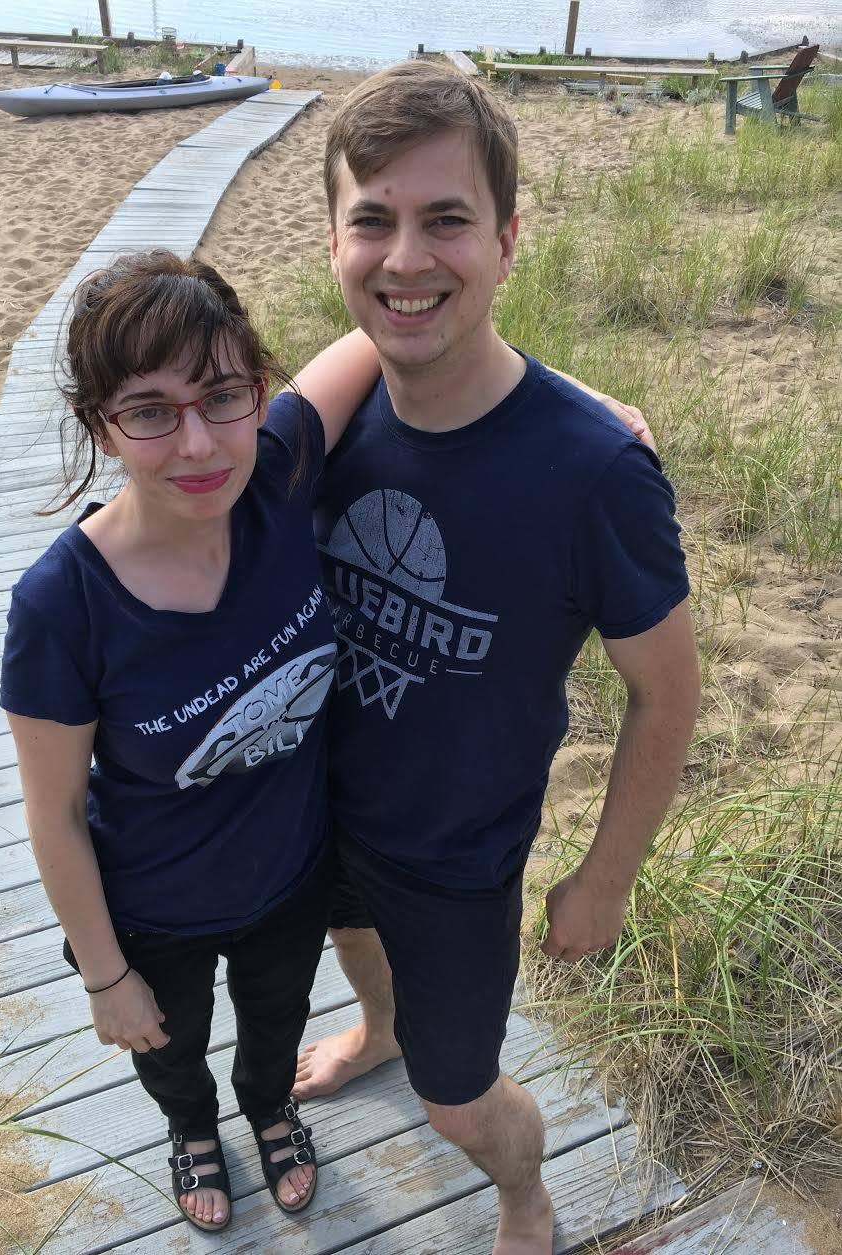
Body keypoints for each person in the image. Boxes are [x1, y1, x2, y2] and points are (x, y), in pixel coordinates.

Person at [293, 62, 701, 1255]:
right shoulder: (337, 408)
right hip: (322, 807)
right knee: (351, 942)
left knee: (458, 1098)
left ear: (508, 238)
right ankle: (374, 1027)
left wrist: (604, 876)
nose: (404, 256)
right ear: (333, 241)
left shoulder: (594, 474)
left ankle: (526, 1196)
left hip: (463, 856)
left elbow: (664, 691)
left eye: (447, 220)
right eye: (372, 220)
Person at [0, 252, 382, 1234]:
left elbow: (393, 330)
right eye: (149, 410)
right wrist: (104, 974)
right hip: (149, 909)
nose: (199, 441)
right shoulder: (63, 604)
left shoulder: (281, 469)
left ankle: (268, 1110)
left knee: (274, 1029)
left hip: (291, 880)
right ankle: (192, 1131)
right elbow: (50, 815)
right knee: (168, 1052)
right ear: (99, 424)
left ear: (259, 389)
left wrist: (584, 401)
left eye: (222, 394)